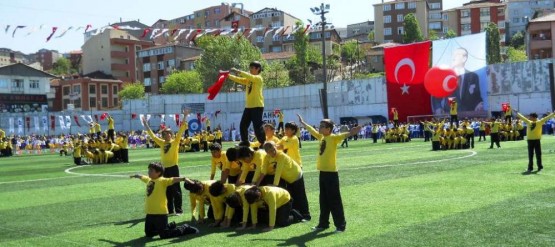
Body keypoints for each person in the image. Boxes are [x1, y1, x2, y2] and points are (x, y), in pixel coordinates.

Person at [297, 114, 361, 233]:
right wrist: (303, 123)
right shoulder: (321, 137)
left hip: (331, 174)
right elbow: (312, 130)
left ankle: (341, 225)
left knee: (334, 200)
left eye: (322, 126)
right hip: (323, 173)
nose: (320, 128)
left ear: (328, 129)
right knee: (324, 200)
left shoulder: (333, 138)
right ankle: (323, 223)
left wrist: (352, 131)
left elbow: (346, 134)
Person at [130, 162, 199, 239]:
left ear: (158, 173)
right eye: (149, 170)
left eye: (151, 170)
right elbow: (143, 177)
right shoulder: (149, 180)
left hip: (160, 213)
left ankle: (184, 228)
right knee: (149, 233)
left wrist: (183, 178)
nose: (149, 172)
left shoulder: (162, 181)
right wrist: (137, 176)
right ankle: (168, 226)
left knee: (164, 235)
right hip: (150, 213)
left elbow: (173, 179)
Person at [142, 109, 189, 216]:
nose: (167, 135)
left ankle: (179, 210)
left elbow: (181, 129)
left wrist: (185, 116)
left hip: (173, 167)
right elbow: (153, 136)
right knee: (167, 190)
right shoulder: (162, 142)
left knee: (176, 189)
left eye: (168, 133)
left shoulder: (175, 141)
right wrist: (146, 124)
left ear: (171, 134)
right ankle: (170, 210)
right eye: (165, 134)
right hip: (164, 169)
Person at [262, 141, 311, 221]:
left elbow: (278, 171)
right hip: (288, 179)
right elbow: (263, 171)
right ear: (267, 152)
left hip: (296, 175)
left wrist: (274, 185)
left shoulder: (281, 155)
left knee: (300, 196)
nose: (273, 152)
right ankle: (298, 215)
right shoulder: (267, 157)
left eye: (274, 149)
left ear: (275, 147)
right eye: (270, 151)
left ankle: (306, 215)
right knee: (292, 197)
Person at [432, 47, 483, 114]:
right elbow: (436, 95)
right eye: (453, 55)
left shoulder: (473, 76)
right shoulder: (446, 76)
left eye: (457, 55)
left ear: (464, 59)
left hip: (469, 114)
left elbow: (477, 96)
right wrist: (438, 108)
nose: (453, 57)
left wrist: (479, 104)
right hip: (451, 113)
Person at [227, 61, 265, 147]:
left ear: (258, 69)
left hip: (257, 106)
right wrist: (228, 76)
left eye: (252, 68)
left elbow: (249, 76)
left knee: (257, 127)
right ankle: (245, 142)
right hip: (248, 107)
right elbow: (239, 80)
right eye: (250, 68)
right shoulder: (249, 80)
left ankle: (263, 142)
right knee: (243, 125)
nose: (250, 70)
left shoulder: (258, 78)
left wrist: (238, 71)